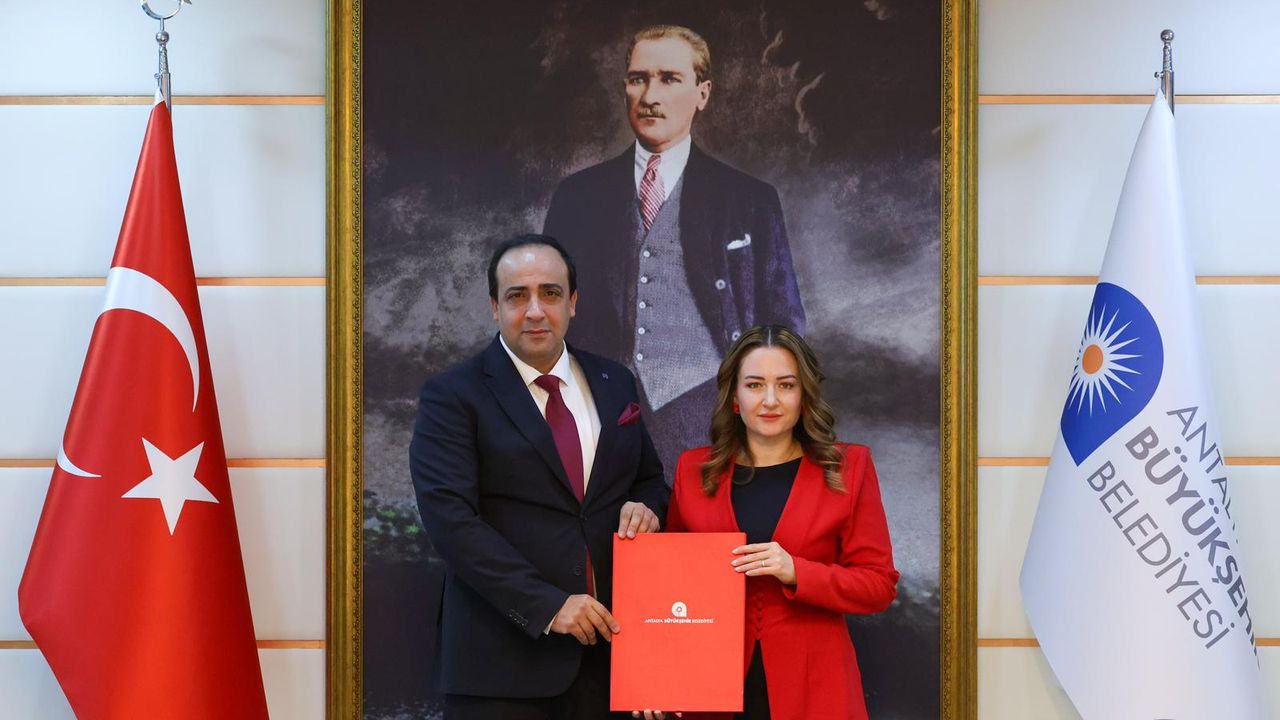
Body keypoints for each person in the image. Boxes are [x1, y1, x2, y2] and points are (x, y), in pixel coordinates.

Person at [409, 234, 670, 719]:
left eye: (550, 293)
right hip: (502, 667)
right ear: (494, 307)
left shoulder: (615, 382)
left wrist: (648, 507)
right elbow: (451, 522)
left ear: (573, 302)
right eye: (517, 296)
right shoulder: (453, 395)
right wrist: (548, 606)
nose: (535, 311)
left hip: (612, 661)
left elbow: (650, 480)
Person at [544, 24, 806, 481]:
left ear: (703, 93)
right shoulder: (577, 196)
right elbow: (548, 316)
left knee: (700, 526)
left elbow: (783, 326)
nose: (650, 96)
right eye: (638, 79)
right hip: (602, 417)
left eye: (669, 79)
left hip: (708, 416)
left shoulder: (749, 200)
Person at [663, 325, 898, 720]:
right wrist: (654, 675)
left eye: (786, 385)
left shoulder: (849, 467)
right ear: (734, 397)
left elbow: (878, 586)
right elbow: (668, 588)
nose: (770, 400)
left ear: (804, 395)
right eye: (754, 385)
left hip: (814, 689)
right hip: (708, 687)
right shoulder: (692, 470)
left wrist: (796, 571)